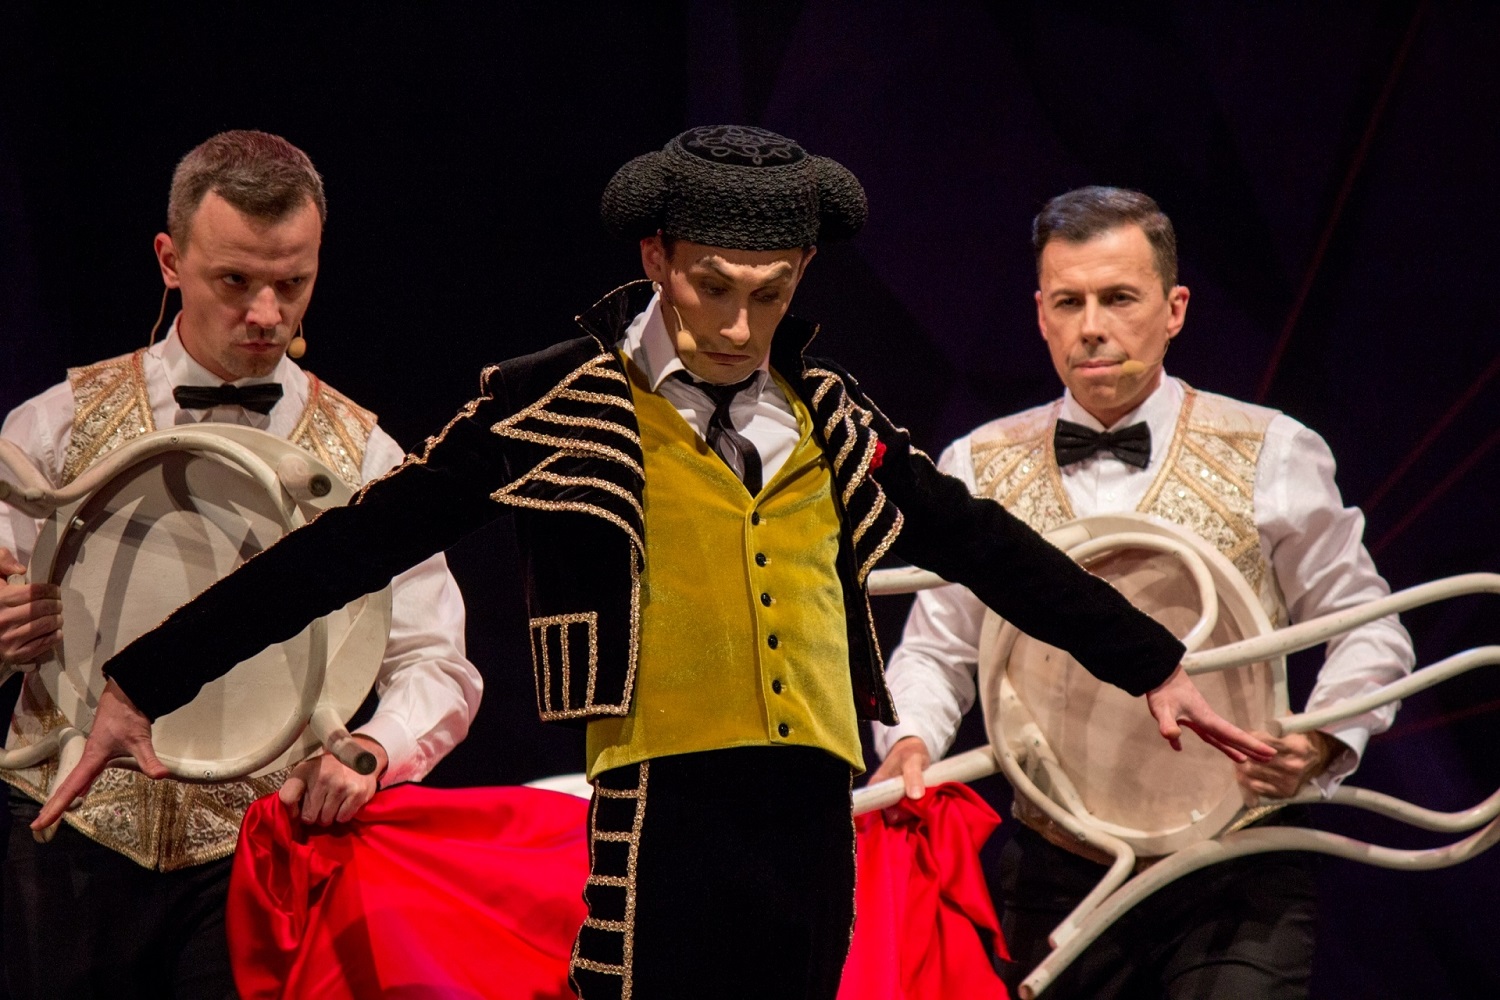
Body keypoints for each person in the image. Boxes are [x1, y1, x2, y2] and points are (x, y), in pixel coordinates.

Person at [36, 129, 1270, 1000]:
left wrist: (1151, 660)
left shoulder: (832, 413)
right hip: (661, 817)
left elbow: (986, 544)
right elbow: (347, 547)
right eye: (712, 288)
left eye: (769, 295)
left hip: (810, 820)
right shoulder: (557, 404)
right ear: (658, 260)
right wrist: (147, 676)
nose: (736, 325)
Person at [870, 185, 1416, 999]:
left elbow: (1369, 627)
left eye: (1120, 298)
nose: (1092, 325)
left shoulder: (1272, 450)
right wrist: (911, 739)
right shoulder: (976, 465)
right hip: (1056, 865)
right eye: (1070, 302)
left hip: (1238, 865)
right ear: (1041, 315)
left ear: (1174, 309)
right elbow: (939, 649)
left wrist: (1325, 740)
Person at [0, 130, 482, 998]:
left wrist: (373, 751)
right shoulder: (51, 429)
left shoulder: (368, 461)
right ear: (169, 260)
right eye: (235, 281)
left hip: (256, 857)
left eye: (292, 283)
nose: (266, 314)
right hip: (63, 840)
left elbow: (436, 660)